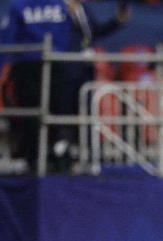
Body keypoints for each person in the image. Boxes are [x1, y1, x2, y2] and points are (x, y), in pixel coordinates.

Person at [50, 0, 130, 169]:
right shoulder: (56, 8)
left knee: (84, 112)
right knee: (64, 114)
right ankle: (60, 157)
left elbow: (93, 34)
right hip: (64, 69)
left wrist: (117, 21)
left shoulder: (83, 9)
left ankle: (84, 154)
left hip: (84, 70)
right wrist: (66, 14)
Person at [0, 0, 71, 167]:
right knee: (51, 112)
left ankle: (39, 158)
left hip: (31, 64)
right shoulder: (59, 5)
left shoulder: (20, 5)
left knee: (35, 114)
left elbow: (8, 38)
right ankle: (56, 157)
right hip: (51, 63)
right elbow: (66, 36)